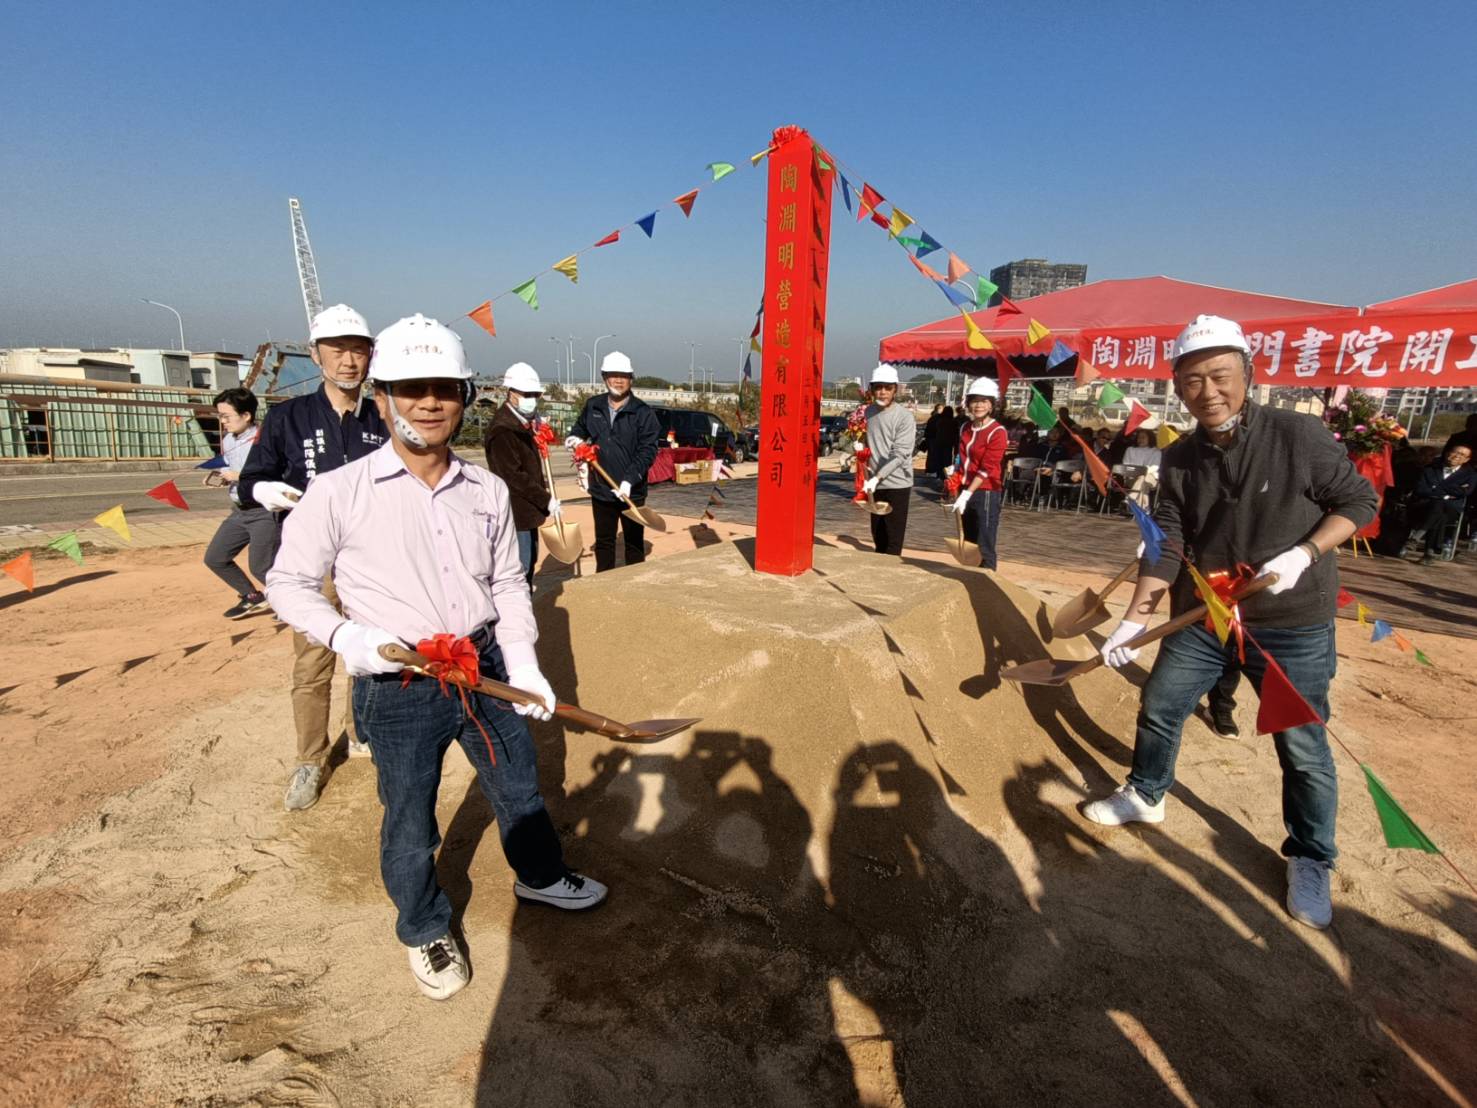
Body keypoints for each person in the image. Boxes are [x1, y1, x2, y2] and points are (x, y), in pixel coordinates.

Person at [266, 314, 606, 1002]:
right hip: (398, 682)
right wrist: (347, 638)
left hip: (483, 667)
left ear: (465, 397)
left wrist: (523, 662)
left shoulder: (485, 491)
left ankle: (540, 876)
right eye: (411, 388)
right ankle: (423, 925)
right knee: (409, 818)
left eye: (445, 389)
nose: (429, 403)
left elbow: (507, 584)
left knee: (518, 787)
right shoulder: (340, 492)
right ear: (383, 397)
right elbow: (288, 584)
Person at [1083, 314, 1377, 931]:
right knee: (1161, 703)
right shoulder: (1180, 458)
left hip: (1292, 621)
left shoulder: (1298, 435)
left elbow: (1358, 502)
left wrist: (1305, 553)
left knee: (1301, 744)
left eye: (1220, 376)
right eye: (1192, 381)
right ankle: (1147, 793)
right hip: (1207, 615)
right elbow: (1167, 544)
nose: (1208, 391)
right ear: (1177, 387)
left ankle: (1311, 857)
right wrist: (1132, 623)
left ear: (1248, 374)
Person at [239, 303, 387, 810]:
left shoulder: (382, 415)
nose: (349, 361)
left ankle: (362, 733)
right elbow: (250, 479)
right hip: (313, 563)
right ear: (315, 354)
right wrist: (264, 489)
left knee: (369, 653)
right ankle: (310, 758)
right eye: (337, 350)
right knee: (312, 662)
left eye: (358, 350)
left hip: (372, 560)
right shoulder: (288, 417)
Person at [567, 351, 661, 573]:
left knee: (634, 543)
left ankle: (634, 581)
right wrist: (574, 438)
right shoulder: (594, 406)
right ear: (604, 377)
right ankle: (604, 582)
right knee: (604, 543)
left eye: (624, 376)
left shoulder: (642, 412)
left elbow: (648, 450)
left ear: (631, 379)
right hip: (602, 489)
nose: (618, 380)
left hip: (632, 492)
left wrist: (629, 480)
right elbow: (580, 429)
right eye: (613, 375)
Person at [483, 362, 559, 590]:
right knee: (519, 570)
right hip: (515, 513)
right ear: (512, 393)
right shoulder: (503, 430)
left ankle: (526, 604)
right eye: (527, 395)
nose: (532, 399)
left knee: (529, 563)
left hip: (527, 512)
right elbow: (513, 476)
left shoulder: (521, 424)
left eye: (535, 395)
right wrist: (546, 499)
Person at [202, 387, 275, 619]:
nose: (222, 421)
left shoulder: (265, 440)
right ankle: (252, 596)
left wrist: (240, 476)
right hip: (239, 511)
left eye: (226, 416)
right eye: (220, 416)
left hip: (264, 511)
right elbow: (229, 467)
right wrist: (223, 477)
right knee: (215, 558)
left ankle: (294, 602)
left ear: (246, 415)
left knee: (261, 567)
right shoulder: (228, 440)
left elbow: (276, 474)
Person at [950, 377, 1007, 569]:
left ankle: (987, 579)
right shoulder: (965, 428)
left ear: (991, 405)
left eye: (984, 401)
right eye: (974, 401)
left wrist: (968, 493)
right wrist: (955, 474)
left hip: (986, 491)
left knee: (985, 542)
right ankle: (971, 576)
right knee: (969, 540)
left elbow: (987, 467)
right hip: (965, 487)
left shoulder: (997, 432)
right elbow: (961, 456)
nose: (978, 405)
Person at [860, 363, 917, 555]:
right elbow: (869, 441)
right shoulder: (869, 412)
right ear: (872, 389)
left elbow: (900, 454)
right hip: (874, 484)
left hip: (897, 484)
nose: (882, 392)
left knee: (893, 539)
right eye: (878, 387)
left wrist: (877, 477)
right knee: (878, 536)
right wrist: (859, 451)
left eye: (887, 388)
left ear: (895, 390)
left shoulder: (904, 417)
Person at [1406, 442, 1475, 564]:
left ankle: (1417, 536)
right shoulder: (1431, 468)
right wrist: (1448, 492)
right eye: (1455, 452)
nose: (1457, 456)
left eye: (1462, 455)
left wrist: (1435, 488)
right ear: (1448, 453)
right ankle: (1429, 553)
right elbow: (1420, 489)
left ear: (1466, 460)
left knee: (1439, 508)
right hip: (1424, 505)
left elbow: (1465, 492)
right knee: (1439, 512)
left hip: (1452, 509)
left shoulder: (1470, 474)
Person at [1122, 428, 1163, 510]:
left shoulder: (1156, 452)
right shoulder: (1130, 450)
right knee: (1143, 483)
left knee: (1143, 477)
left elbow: (1155, 467)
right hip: (1132, 478)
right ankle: (1144, 508)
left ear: (1150, 438)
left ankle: (1130, 498)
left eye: (1143, 437)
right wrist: (1137, 473)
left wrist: (1142, 472)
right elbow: (1125, 465)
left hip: (1151, 479)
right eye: (1139, 437)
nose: (1140, 440)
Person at [924, 404, 955, 479]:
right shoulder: (953, 421)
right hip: (948, 444)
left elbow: (931, 430)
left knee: (937, 458)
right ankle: (946, 476)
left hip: (938, 442)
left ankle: (938, 474)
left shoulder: (939, 420)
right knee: (947, 460)